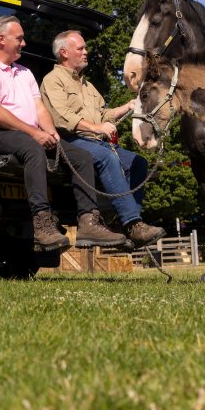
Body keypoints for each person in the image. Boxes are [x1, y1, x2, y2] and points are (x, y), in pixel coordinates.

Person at [0, 16, 126, 251]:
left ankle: (88, 223)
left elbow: (40, 108)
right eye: (19, 39)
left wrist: (52, 134)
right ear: (1, 40)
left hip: (29, 134)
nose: (24, 44)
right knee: (32, 148)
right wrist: (35, 133)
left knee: (81, 157)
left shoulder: (24, 73)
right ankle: (42, 224)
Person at [41, 30, 165, 249]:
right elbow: (61, 117)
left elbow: (104, 114)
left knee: (139, 164)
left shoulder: (88, 86)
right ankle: (134, 224)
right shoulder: (52, 80)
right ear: (64, 53)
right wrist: (96, 128)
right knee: (108, 157)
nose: (86, 52)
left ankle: (125, 224)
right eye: (80, 48)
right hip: (70, 140)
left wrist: (126, 107)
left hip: (94, 142)